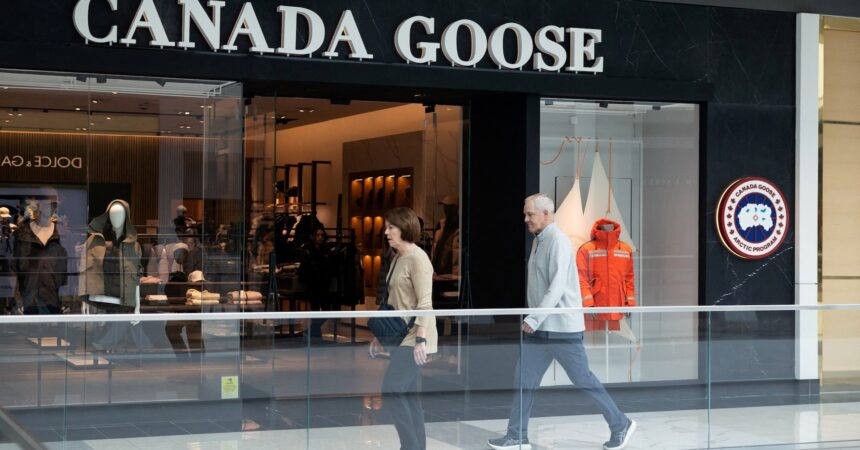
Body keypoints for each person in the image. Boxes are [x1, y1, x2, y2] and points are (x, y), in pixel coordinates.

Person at [488, 194, 636, 450]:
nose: (526, 219)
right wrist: (537, 320)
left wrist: (534, 317)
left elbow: (556, 287)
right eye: (525, 214)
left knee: (583, 380)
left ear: (546, 213)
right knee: (523, 382)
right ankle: (517, 435)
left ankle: (620, 423)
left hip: (561, 330)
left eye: (530, 214)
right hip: (541, 330)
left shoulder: (557, 240)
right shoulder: (539, 240)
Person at [368, 207, 438, 450]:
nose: (386, 232)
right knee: (408, 395)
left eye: (391, 227)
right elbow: (393, 301)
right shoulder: (398, 257)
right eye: (386, 227)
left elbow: (425, 303)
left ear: (405, 228)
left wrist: (421, 340)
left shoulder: (419, 259)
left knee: (392, 390)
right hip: (399, 334)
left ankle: (409, 446)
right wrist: (380, 335)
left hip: (415, 336)